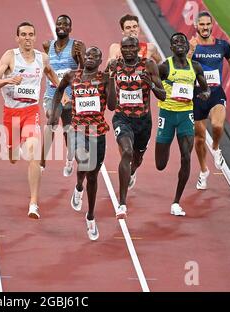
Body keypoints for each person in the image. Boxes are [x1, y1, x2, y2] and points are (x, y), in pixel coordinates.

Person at [0, 21, 59, 219]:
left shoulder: (42, 58)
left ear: (35, 37)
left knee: (34, 153)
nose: (28, 38)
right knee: (12, 158)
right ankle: (16, 147)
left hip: (31, 112)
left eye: (31, 34)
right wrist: (8, 80)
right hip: (11, 114)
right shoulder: (10, 56)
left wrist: (62, 92)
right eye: (24, 34)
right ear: (17, 38)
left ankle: (34, 203)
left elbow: (52, 75)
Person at [48, 47, 114, 240]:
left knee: (92, 176)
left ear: (101, 60)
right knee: (84, 162)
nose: (90, 58)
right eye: (88, 56)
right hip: (77, 129)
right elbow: (58, 90)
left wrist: (110, 81)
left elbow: (111, 106)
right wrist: (54, 113)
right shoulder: (71, 76)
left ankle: (90, 214)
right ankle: (78, 186)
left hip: (98, 131)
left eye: (95, 56)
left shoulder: (103, 78)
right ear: (84, 58)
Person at [109, 36, 166, 219]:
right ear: (121, 49)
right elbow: (108, 100)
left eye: (132, 47)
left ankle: (133, 170)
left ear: (137, 48)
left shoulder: (149, 65)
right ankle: (122, 204)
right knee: (126, 151)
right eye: (124, 47)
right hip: (122, 118)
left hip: (143, 122)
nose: (128, 51)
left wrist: (151, 85)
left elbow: (163, 95)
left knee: (137, 157)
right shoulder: (114, 66)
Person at [187, 11, 230, 189]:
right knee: (199, 139)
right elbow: (181, 68)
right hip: (196, 96)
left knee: (218, 125)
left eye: (207, 24)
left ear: (212, 25)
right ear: (196, 26)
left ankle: (217, 148)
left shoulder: (222, 46)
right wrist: (190, 52)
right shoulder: (191, 45)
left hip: (216, 93)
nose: (205, 27)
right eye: (201, 24)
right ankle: (203, 172)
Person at [156, 33, 210, 216]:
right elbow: (154, 85)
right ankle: (166, 143)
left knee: (186, 156)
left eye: (182, 41)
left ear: (188, 47)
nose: (179, 44)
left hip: (186, 115)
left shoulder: (195, 67)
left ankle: (176, 202)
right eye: (175, 42)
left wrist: (206, 94)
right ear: (171, 47)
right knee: (160, 164)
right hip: (167, 114)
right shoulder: (164, 67)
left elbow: (205, 88)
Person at [40, 14, 86, 176]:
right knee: (52, 119)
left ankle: (69, 160)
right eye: (59, 24)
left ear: (70, 29)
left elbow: (84, 70)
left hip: (70, 96)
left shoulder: (77, 46)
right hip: (52, 94)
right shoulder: (47, 46)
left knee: (68, 129)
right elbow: (46, 68)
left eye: (66, 25)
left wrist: (81, 56)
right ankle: (41, 162)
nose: (62, 26)